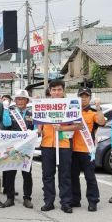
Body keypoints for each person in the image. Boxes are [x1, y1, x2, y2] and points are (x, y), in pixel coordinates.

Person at [38, 79, 78, 213]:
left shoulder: (71, 105)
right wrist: (38, 128)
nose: (56, 92)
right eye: (54, 90)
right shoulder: (43, 105)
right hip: (47, 144)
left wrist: (62, 128)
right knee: (47, 175)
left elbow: (78, 125)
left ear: (63, 91)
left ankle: (66, 202)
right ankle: (48, 201)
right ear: (50, 91)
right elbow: (39, 125)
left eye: (59, 89)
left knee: (65, 174)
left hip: (64, 144)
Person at [70, 87, 105, 211]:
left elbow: (101, 122)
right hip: (72, 150)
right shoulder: (72, 111)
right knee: (73, 176)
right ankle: (75, 199)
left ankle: (93, 201)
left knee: (90, 177)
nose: (84, 98)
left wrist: (99, 107)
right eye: (81, 96)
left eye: (86, 96)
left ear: (90, 98)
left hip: (87, 150)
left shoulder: (93, 112)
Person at [1, 89, 34, 208]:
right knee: (10, 173)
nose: (20, 101)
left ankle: (27, 198)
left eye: (23, 99)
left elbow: (36, 128)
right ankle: (10, 198)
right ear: (15, 101)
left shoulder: (32, 113)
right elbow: (6, 124)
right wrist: (5, 109)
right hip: (12, 147)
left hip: (27, 148)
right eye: (18, 99)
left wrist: (33, 132)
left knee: (27, 174)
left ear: (26, 100)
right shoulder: (10, 112)